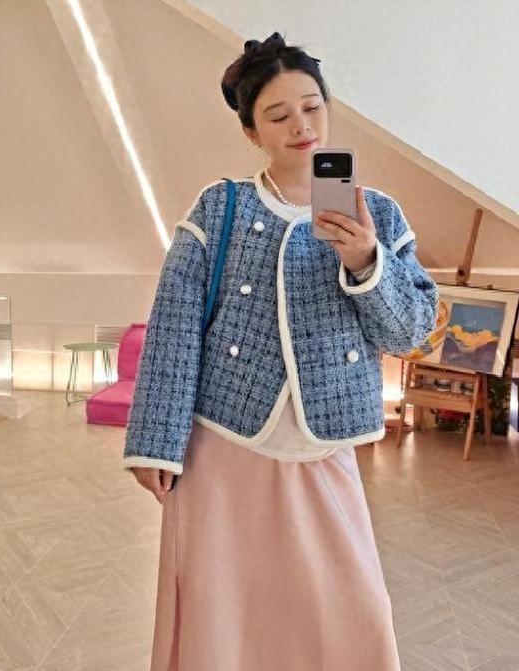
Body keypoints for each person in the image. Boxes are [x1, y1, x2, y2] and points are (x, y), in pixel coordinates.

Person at [123, 31, 438, 671]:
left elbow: (409, 331)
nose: (302, 126)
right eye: (278, 115)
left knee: (353, 608)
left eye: (312, 106)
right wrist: (155, 441)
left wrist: (366, 261)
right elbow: (174, 326)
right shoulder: (221, 208)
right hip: (222, 446)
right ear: (252, 132)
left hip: (324, 445)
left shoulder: (378, 214)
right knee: (225, 608)